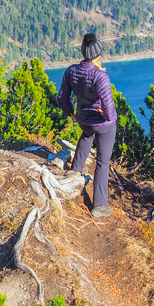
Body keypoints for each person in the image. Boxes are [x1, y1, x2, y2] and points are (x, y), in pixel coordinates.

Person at [57, 32, 116, 217]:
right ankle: (99, 205)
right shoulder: (100, 77)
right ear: (99, 53)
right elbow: (108, 106)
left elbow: (62, 97)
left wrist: (71, 114)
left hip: (83, 119)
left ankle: (75, 170)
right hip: (102, 124)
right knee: (102, 162)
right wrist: (109, 118)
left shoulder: (72, 71)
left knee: (87, 135)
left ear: (83, 51)